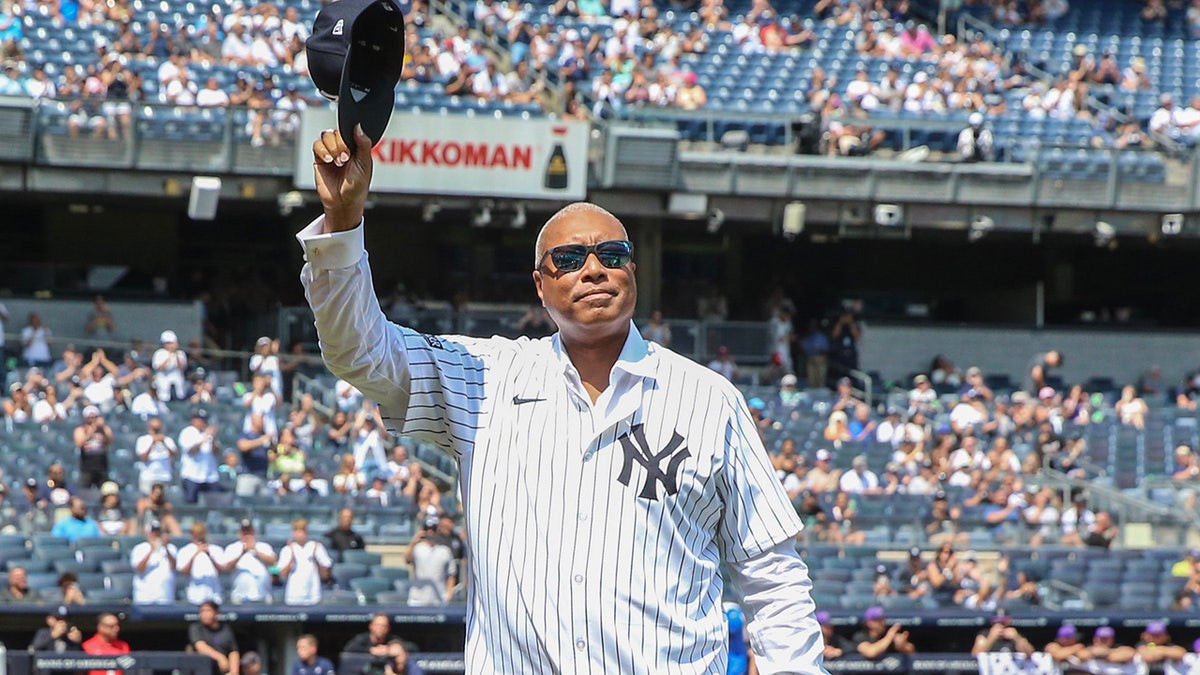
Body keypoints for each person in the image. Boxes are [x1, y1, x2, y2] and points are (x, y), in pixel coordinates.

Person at [301, 128, 825, 671]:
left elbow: (771, 574)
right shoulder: (485, 377)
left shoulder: (709, 398)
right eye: (570, 258)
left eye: (612, 254)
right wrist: (343, 223)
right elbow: (359, 350)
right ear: (539, 285)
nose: (594, 269)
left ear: (632, 270)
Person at [276, 518, 332, 606]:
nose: (301, 534)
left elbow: (325, 575)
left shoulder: (316, 547)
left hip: (313, 597)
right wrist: (292, 557)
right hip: (293, 597)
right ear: (293, 532)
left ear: (307, 531)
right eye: (298, 531)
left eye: (303, 530)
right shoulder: (287, 549)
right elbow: (283, 575)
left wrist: (316, 560)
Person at [405, 515, 457, 606]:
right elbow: (407, 559)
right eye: (427, 528)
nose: (430, 532)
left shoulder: (445, 550)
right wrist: (413, 542)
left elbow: (451, 574)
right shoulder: (417, 548)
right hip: (418, 599)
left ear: (438, 531)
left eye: (433, 529)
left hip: (439, 598)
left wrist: (449, 593)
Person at [224, 519, 277, 604]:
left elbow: (273, 562)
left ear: (254, 532)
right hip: (240, 597)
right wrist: (242, 553)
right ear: (240, 533)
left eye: (249, 532)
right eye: (244, 532)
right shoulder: (232, 548)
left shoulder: (264, 546)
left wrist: (255, 550)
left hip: (262, 596)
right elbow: (227, 567)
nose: (247, 534)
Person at [177, 522, 228, 604]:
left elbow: (223, 569)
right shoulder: (185, 550)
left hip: (214, 596)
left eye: (200, 533)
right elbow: (183, 571)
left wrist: (209, 555)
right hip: (194, 597)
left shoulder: (216, 549)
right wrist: (195, 553)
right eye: (195, 534)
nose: (198, 536)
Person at [131, 520, 178, 604]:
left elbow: (174, 567)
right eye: (153, 532)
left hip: (165, 595)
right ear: (147, 533)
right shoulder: (139, 548)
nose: (155, 534)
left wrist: (166, 548)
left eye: (158, 532)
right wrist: (151, 550)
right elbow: (139, 568)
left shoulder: (171, 548)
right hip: (144, 596)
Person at [189, 600, 240, 675]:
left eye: (208, 610)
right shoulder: (196, 628)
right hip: (202, 671)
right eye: (202, 611)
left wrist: (234, 671)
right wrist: (220, 658)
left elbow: (233, 651)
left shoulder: (225, 629)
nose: (204, 614)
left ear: (216, 612)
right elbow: (200, 646)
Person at [135, 417, 179, 495]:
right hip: (148, 476)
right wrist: (152, 443)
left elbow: (174, 455)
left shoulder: (168, 440)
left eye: (158, 429)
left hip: (164, 476)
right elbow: (143, 458)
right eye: (154, 429)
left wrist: (164, 443)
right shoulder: (143, 440)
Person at [971, 612, 1035, 656]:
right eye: (997, 622)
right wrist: (991, 638)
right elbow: (975, 655)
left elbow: (1030, 653)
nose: (1000, 625)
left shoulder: (1014, 634)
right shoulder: (985, 634)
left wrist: (1017, 638)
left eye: (1003, 622)